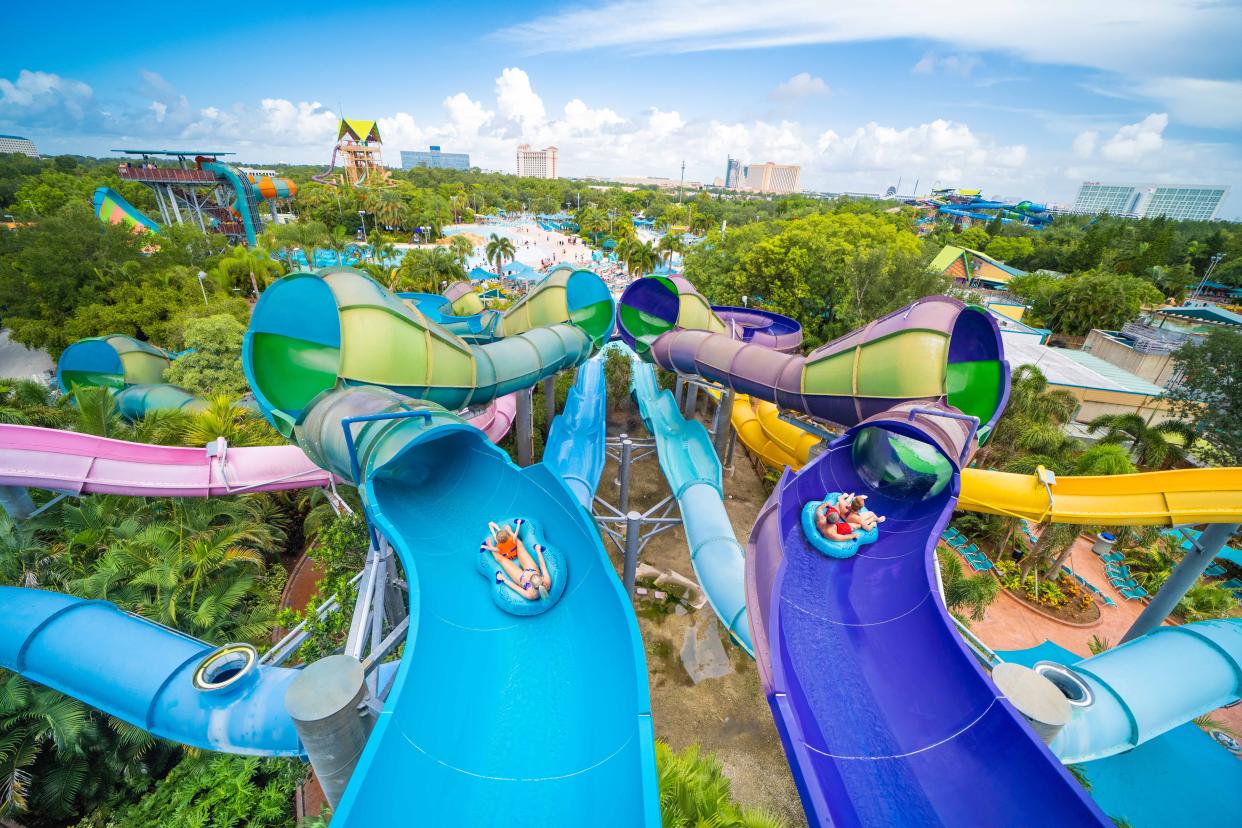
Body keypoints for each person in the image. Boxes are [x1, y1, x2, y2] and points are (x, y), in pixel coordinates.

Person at [483, 521, 552, 600]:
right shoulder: (547, 582)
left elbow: (515, 587)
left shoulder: (531, 595)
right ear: (541, 579)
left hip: (521, 578)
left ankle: (490, 546)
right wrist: (538, 551)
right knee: (520, 546)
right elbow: (543, 566)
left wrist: (503, 579)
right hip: (531, 569)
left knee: (500, 560)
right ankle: (510, 532)